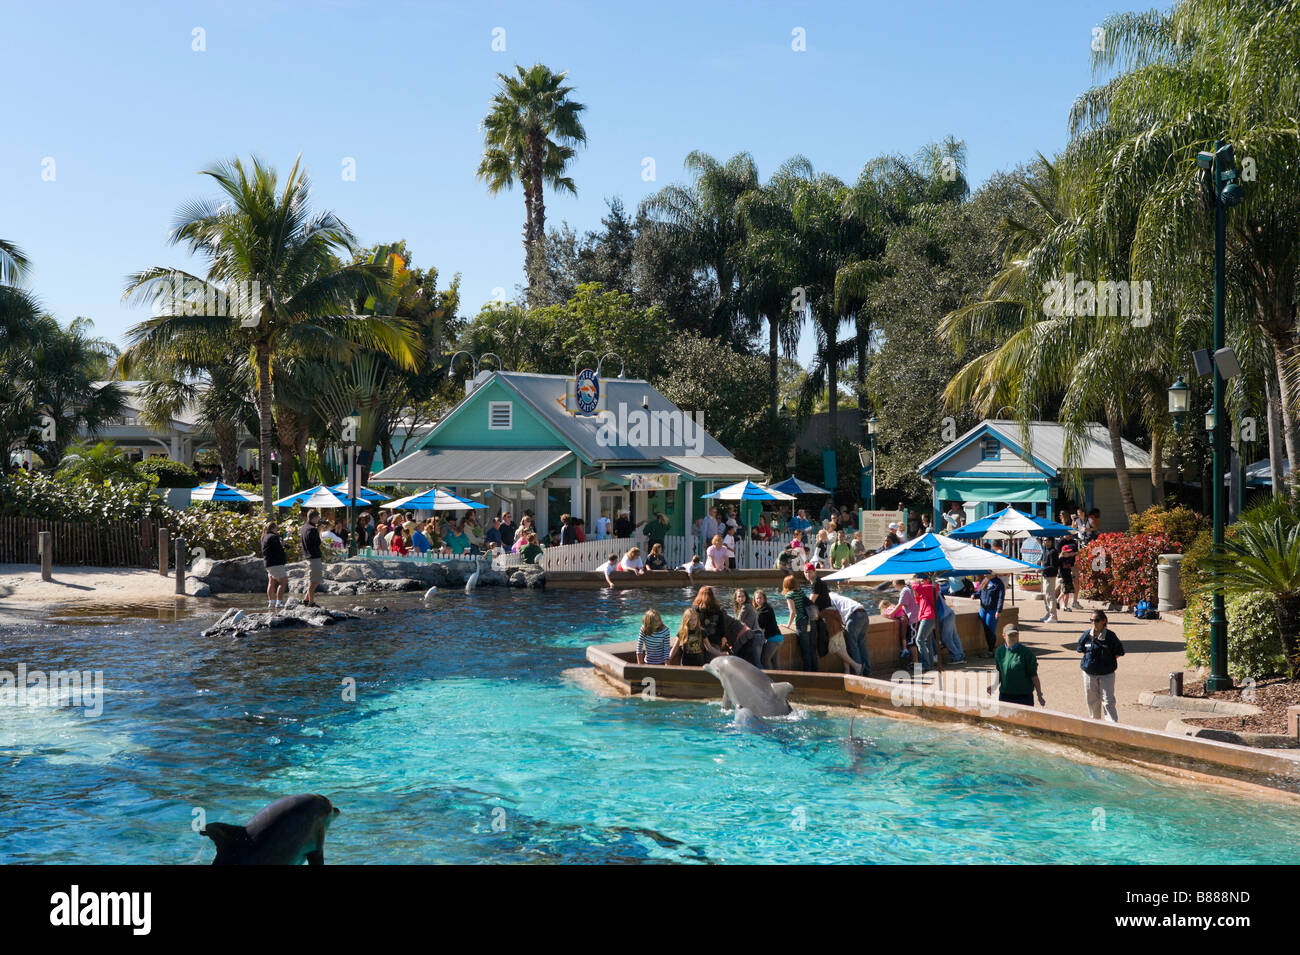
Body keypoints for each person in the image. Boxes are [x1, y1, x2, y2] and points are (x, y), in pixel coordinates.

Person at [1077, 610, 1125, 722]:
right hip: (1089, 673)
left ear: (1104, 621)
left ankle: (1112, 724)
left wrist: (1106, 662)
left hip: (1106, 674)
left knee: (1108, 700)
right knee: (1092, 700)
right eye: (1091, 620)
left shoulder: (1111, 636)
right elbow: (1082, 649)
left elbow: (1118, 652)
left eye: (1096, 620)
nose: (1093, 623)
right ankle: (1095, 722)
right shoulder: (1086, 635)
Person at [988, 626, 1045, 707]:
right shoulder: (999, 652)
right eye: (1010, 635)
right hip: (1005, 695)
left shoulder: (1026, 652)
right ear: (1004, 636)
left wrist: (1039, 695)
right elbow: (1000, 672)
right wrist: (994, 686)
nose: (1013, 637)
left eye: (1015, 635)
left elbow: (1033, 675)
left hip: (1024, 697)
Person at [829, 590, 871, 676]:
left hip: (853, 617)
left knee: (853, 646)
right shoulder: (838, 597)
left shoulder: (830, 598)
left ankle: (858, 672)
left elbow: (833, 615)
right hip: (864, 614)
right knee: (862, 645)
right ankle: (867, 671)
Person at [781, 574, 815, 671]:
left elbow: (793, 612)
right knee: (812, 649)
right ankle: (815, 671)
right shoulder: (801, 591)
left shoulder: (789, 595)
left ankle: (808, 674)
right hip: (810, 620)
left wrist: (788, 625)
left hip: (802, 622)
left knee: (805, 650)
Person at [911, 573, 940, 670]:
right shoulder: (927, 589)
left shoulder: (931, 587)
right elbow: (918, 600)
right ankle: (930, 664)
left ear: (928, 579)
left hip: (928, 617)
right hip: (928, 617)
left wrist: (914, 582)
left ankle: (925, 664)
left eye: (923, 579)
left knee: (919, 640)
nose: (921, 581)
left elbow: (916, 587)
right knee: (928, 641)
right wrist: (916, 593)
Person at [299, 509, 324, 607]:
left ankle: (306, 600)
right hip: (314, 557)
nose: (318, 519)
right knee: (314, 581)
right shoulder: (312, 529)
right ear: (313, 518)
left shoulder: (304, 527)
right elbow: (317, 543)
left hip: (308, 557)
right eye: (318, 517)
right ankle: (311, 602)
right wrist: (319, 530)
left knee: (313, 579)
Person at [976, 572, 1006, 653]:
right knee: (986, 630)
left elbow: (1001, 598)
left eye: (988, 571)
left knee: (990, 630)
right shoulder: (984, 581)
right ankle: (989, 649)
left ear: (993, 572)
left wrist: (998, 610)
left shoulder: (999, 583)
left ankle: (991, 650)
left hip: (992, 610)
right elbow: (979, 593)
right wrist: (974, 595)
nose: (985, 573)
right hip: (983, 609)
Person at [261, 521, 288, 608]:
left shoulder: (264, 537)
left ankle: (271, 602)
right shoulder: (273, 537)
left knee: (271, 582)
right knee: (283, 582)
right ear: (273, 528)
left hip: (268, 563)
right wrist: (284, 543)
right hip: (276, 563)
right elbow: (278, 549)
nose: (277, 530)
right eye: (276, 528)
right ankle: (279, 602)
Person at [754, 590, 782, 670]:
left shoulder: (763, 610)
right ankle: (779, 676)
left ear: (764, 599)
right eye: (757, 598)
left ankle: (769, 677)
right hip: (779, 637)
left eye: (760, 598)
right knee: (775, 661)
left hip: (772, 639)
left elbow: (760, 625)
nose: (758, 600)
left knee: (764, 660)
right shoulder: (769, 607)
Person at [1039, 537, 1060, 623]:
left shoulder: (1053, 552)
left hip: (1050, 576)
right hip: (1046, 576)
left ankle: (1053, 616)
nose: (1044, 542)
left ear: (1051, 541)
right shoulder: (1047, 551)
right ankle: (1049, 613)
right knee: (1046, 596)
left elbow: (1053, 566)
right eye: (1044, 540)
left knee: (1050, 596)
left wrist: (1042, 569)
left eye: (1046, 540)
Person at [1058, 536, 1079, 611]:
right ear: (1063, 552)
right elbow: (1058, 568)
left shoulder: (1069, 558)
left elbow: (1071, 567)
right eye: (1068, 552)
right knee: (1066, 593)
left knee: (1066, 592)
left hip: (1068, 577)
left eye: (1070, 552)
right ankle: (1065, 607)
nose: (1070, 553)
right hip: (1063, 577)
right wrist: (1060, 576)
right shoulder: (1061, 559)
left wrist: (1072, 573)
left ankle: (1057, 601)